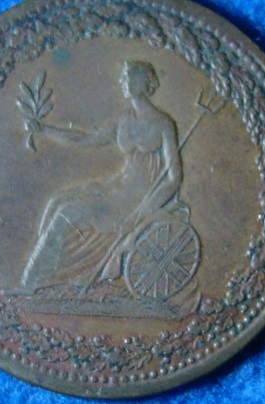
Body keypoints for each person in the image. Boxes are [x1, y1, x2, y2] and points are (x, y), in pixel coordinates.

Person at [18, 60, 184, 294]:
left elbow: (174, 178)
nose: (121, 81)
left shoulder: (163, 125)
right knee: (57, 202)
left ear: (143, 81)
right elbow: (84, 140)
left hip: (137, 200)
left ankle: (33, 282)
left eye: (127, 76)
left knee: (67, 212)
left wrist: (145, 209)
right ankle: (45, 274)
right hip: (118, 188)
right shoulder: (124, 119)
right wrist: (44, 129)